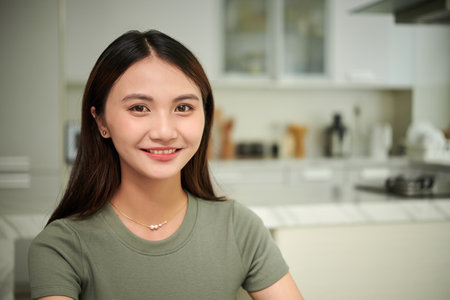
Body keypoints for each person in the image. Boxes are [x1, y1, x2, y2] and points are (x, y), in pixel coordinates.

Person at [28, 29, 304, 300]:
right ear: (101, 121)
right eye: (139, 108)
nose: (164, 131)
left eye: (183, 107)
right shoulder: (61, 247)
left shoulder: (238, 227)